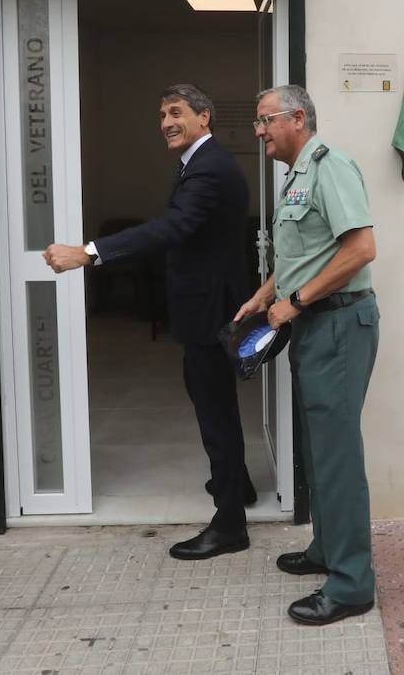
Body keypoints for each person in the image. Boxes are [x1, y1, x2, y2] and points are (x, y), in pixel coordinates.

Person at [43, 84, 256, 560]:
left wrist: (89, 252)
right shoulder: (201, 162)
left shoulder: (209, 168)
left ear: (205, 116)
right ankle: (236, 486)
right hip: (208, 307)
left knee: (214, 411)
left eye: (176, 112)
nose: (166, 122)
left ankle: (229, 526)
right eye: (161, 114)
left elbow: (172, 227)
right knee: (214, 403)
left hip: (210, 312)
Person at [233, 84, 380, 626]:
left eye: (265, 120)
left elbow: (360, 249)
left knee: (338, 456)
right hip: (314, 325)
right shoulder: (296, 177)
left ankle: (351, 585)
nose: (259, 131)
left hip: (340, 323)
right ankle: (327, 550)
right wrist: (264, 295)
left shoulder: (330, 167)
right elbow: (305, 253)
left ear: (298, 118)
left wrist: (293, 303)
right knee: (320, 451)